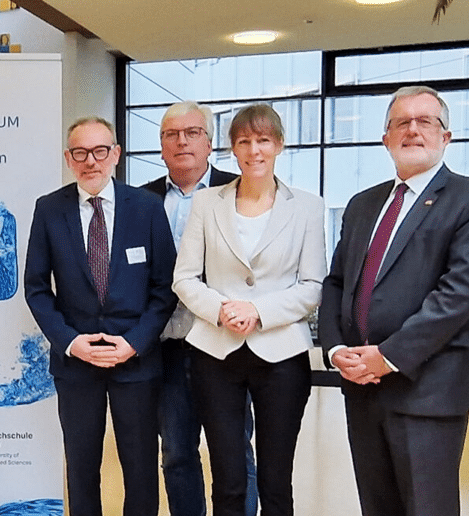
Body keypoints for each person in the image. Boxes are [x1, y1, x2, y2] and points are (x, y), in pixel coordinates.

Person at [320, 86, 469, 516]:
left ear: (447, 137)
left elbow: (458, 295)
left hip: (426, 391)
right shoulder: (362, 203)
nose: (413, 130)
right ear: (385, 138)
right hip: (362, 390)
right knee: (377, 507)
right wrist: (335, 351)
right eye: (401, 122)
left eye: (426, 121)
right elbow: (336, 284)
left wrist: (387, 356)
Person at [172, 104, 324, 516]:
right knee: (228, 478)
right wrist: (223, 310)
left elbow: (312, 286)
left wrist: (257, 312)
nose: (253, 150)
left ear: (278, 145)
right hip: (214, 352)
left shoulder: (308, 207)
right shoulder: (207, 203)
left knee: (276, 479)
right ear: (232, 149)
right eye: (243, 141)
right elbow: (184, 278)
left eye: (262, 140)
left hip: (281, 354)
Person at [24, 117, 177, 516]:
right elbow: (37, 288)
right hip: (76, 365)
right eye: (80, 153)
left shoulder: (146, 208)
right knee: (81, 469)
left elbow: (165, 288)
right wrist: (71, 342)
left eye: (99, 151)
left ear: (115, 155)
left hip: (136, 362)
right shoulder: (48, 210)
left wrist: (135, 343)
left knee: (141, 469)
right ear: (68, 158)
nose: (90, 161)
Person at [141, 101, 240, 516]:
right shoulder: (139, 200)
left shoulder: (238, 192)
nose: (181, 141)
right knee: (177, 452)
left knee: (233, 455)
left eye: (192, 132)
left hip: (226, 347)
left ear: (210, 142)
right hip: (165, 347)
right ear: (161, 146)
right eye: (171, 134)